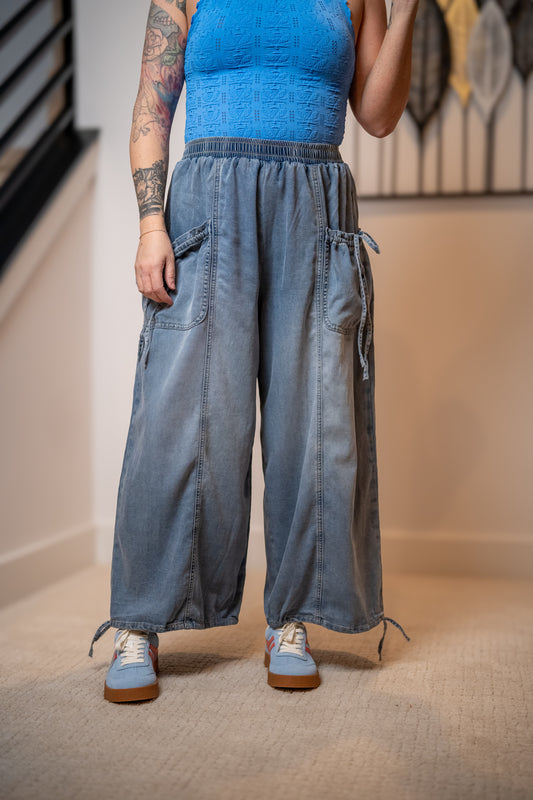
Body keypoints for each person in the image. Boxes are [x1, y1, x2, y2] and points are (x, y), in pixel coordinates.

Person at [88, 0, 417, 702]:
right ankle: (140, 623)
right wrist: (151, 225)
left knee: (317, 421)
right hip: (210, 202)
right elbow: (152, 106)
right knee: (183, 420)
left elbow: (380, 115)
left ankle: (292, 619)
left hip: (316, 206)